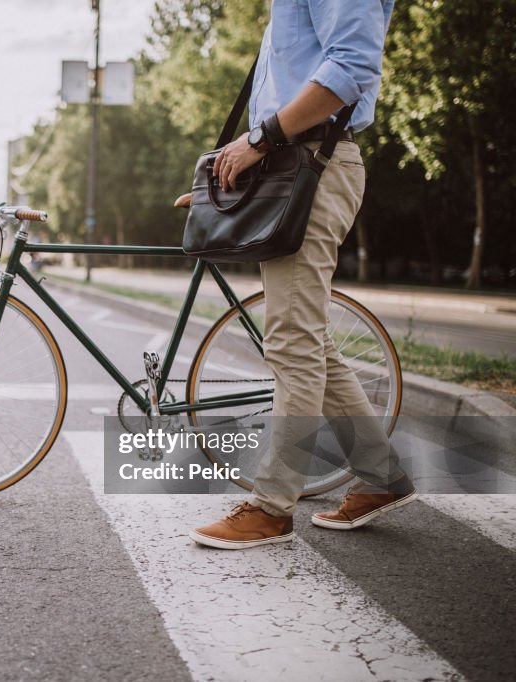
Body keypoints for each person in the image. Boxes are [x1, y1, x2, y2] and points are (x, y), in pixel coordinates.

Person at [175, 1, 415, 550]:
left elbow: (351, 68)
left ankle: (272, 507)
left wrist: (256, 141)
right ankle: (382, 476)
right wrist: (227, 190)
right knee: (308, 343)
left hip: (313, 167)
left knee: (292, 343)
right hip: (290, 168)